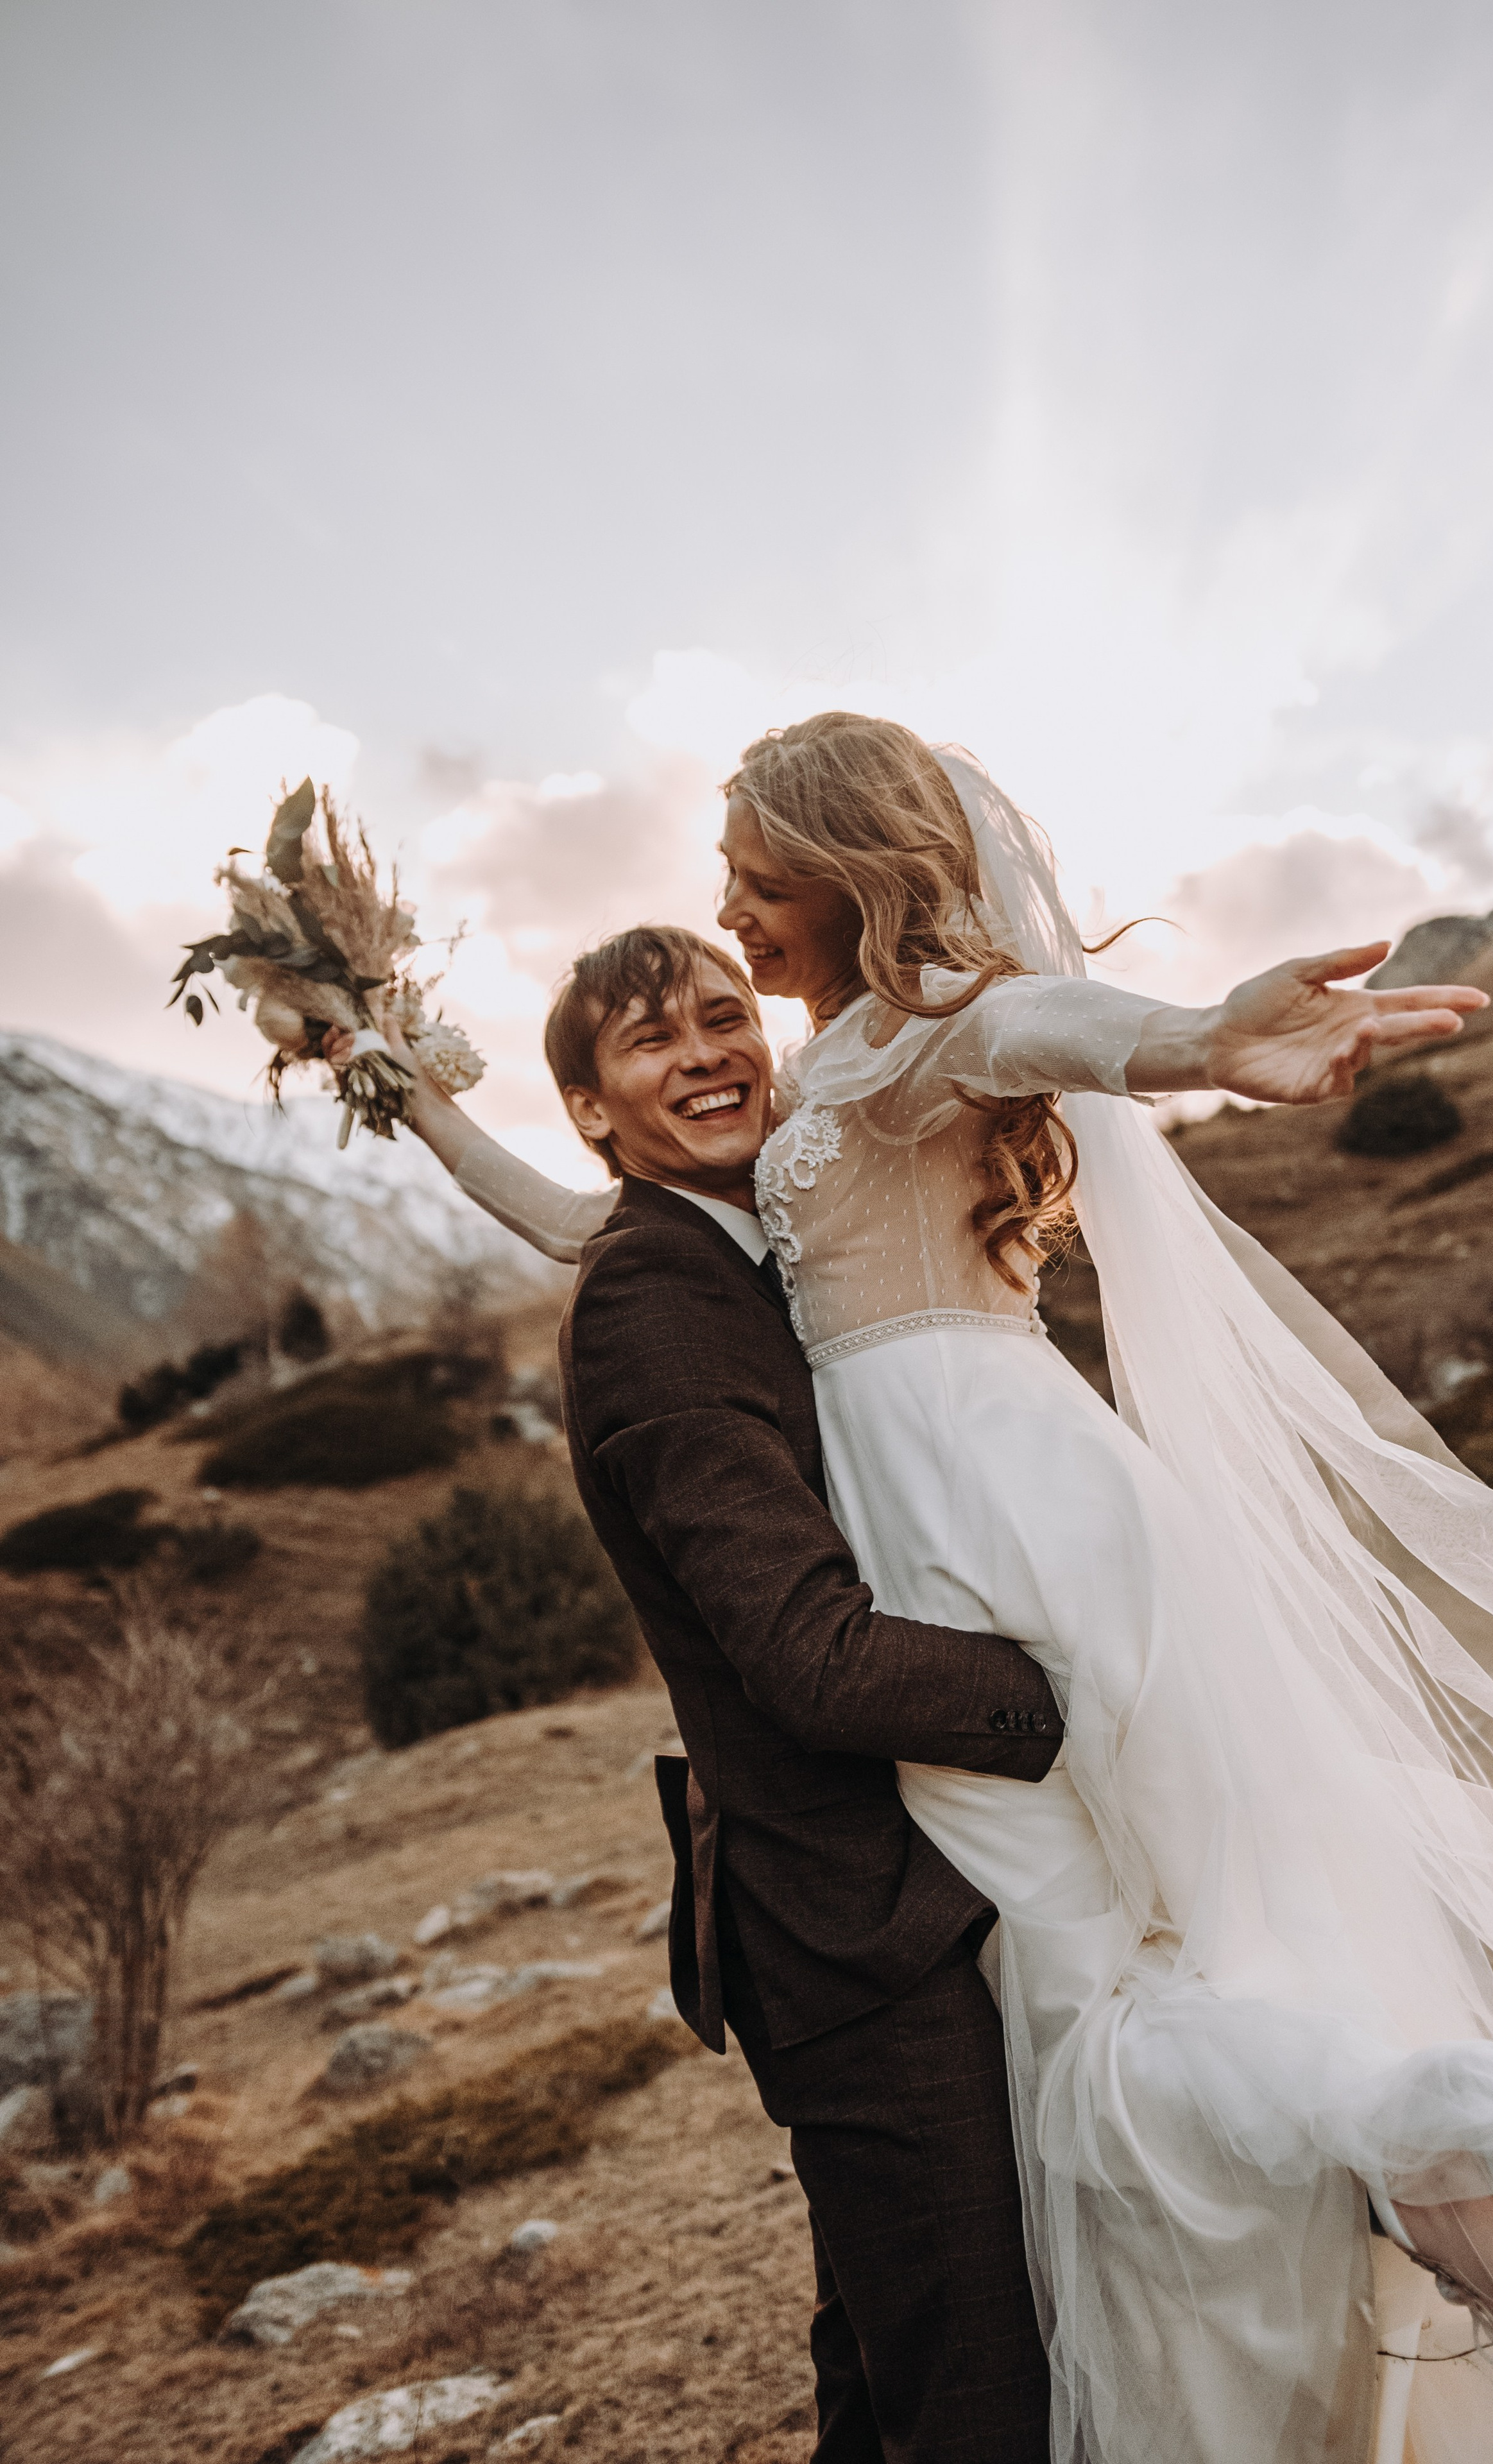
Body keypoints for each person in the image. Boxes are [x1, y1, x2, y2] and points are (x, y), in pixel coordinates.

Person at [338, 715, 1493, 2463]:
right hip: (963, 1526)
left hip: (1000, 1532)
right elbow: (594, 1223)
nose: (729, 912)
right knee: (1120, 2002)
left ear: (833, 870)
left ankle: (1464, 2177)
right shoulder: (809, 1093)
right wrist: (421, 1105)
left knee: (1142, 2002)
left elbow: (1042, 1022)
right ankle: (1471, 2203)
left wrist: (1192, 1043)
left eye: (750, 880)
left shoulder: (915, 1035)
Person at [339, 928, 1069, 2463]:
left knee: (890, 2370)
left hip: (908, 1889)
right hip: (846, 1932)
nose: (708, 1055)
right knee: (974, 2393)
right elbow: (811, 1659)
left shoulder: (754, 1238)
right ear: (593, 1111)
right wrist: (1074, 1698)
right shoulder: (651, 1307)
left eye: (722, 1017)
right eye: (651, 1045)